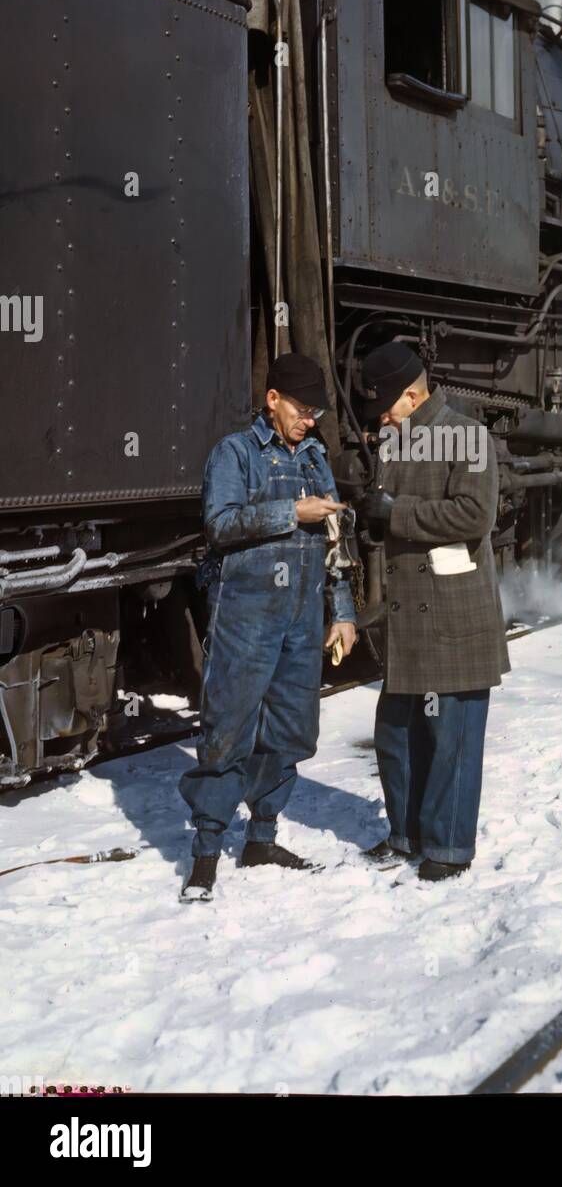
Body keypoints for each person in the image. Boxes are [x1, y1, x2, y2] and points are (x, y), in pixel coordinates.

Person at [179, 354, 357, 900]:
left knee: (289, 731)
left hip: (302, 621)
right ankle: (206, 853)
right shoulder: (233, 454)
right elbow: (220, 525)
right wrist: (290, 513)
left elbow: (333, 541)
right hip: (246, 620)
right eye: (304, 411)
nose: (311, 422)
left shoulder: (315, 458)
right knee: (227, 731)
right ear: (273, 399)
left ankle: (261, 838)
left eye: (318, 413)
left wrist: (344, 612)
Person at [357, 342, 510, 882]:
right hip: (408, 619)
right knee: (397, 733)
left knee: (452, 738)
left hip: (452, 614)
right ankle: (407, 835)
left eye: (386, 406)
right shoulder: (393, 442)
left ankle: (447, 848)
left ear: (414, 394)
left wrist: (396, 514)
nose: (381, 417)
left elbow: (475, 515)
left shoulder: (468, 437)